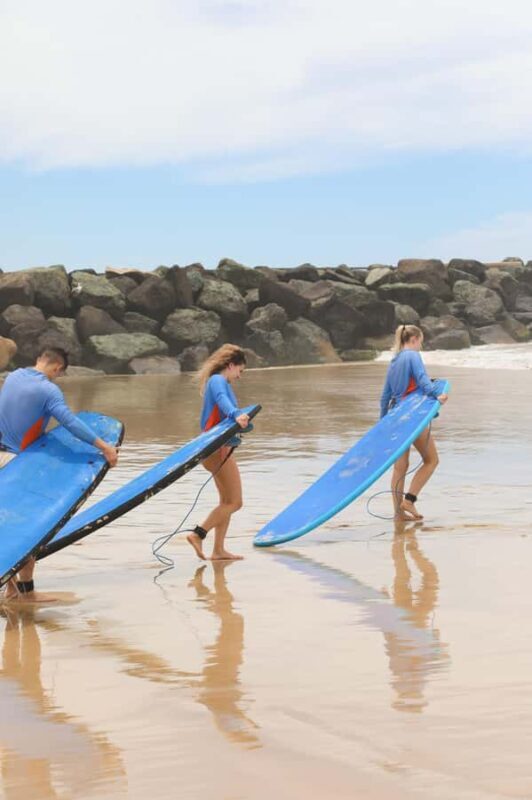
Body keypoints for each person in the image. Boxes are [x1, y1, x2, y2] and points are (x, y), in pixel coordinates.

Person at [0, 347, 119, 603]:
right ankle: (27, 593)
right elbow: (71, 422)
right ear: (57, 368)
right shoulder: (48, 390)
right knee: (28, 528)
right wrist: (105, 447)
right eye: (60, 374)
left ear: (39, 358)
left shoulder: (13, 377)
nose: (58, 378)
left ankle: (10, 589)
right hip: (17, 462)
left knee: (5, 524)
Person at [186, 344, 250, 561]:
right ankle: (198, 534)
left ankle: (218, 550)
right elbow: (223, 401)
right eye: (240, 371)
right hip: (216, 450)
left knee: (226, 501)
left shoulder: (219, 381)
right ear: (230, 365)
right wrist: (236, 414)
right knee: (235, 502)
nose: (239, 376)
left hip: (216, 449)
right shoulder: (218, 381)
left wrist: (239, 419)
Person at [380, 324, 448, 521]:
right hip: (412, 415)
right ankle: (409, 500)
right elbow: (423, 380)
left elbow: (385, 396)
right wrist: (439, 394)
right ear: (414, 339)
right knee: (432, 460)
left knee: (400, 467)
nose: (420, 346)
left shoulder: (394, 360)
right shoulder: (412, 355)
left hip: (395, 417)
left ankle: (398, 514)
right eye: (421, 342)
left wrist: (383, 423)